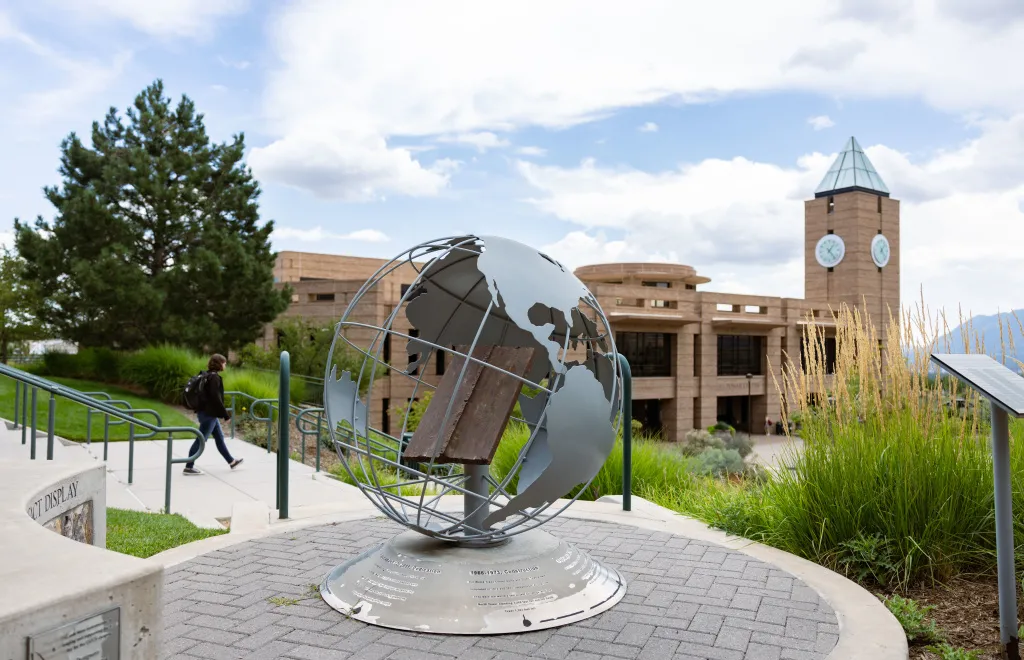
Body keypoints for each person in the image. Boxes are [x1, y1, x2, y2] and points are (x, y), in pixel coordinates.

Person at [183, 354, 243, 475]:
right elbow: (216, 398)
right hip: (208, 414)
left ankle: (231, 462)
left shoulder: (207, 375)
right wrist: (226, 415)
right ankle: (189, 467)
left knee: (220, 438)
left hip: (207, 413)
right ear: (219, 363)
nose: (225, 365)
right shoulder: (214, 378)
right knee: (200, 440)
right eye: (224, 363)